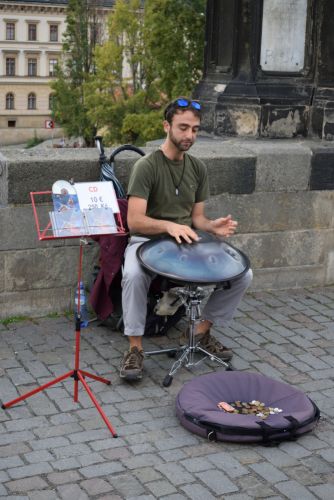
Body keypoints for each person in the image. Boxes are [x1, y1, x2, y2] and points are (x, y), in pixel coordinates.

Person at [120, 97, 253, 380]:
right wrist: (168, 226)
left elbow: (197, 219)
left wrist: (212, 226)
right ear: (166, 126)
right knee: (132, 274)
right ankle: (135, 348)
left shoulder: (198, 168)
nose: (189, 135)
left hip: (186, 240)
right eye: (183, 128)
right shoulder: (146, 166)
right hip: (146, 241)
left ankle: (200, 331)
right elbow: (134, 221)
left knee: (243, 274)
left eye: (194, 129)